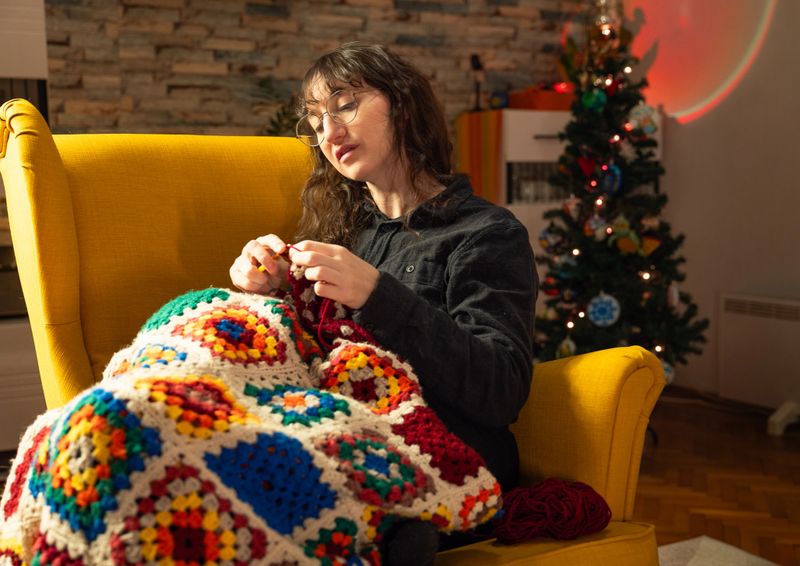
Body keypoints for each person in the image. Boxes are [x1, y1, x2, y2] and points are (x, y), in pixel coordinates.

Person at [229, 42, 537, 554]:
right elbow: (309, 363)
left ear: (403, 103)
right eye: (316, 120)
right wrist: (268, 284)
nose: (329, 132)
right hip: (340, 442)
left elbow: (501, 388)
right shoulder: (346, 234)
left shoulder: (486, 233)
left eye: (346, 104)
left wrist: (376, 294)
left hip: (446, 459)